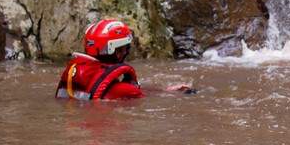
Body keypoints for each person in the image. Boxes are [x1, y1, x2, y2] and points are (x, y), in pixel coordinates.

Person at [55, 19, 192, 100]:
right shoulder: (123, 90)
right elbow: (133, 93)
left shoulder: (74, 78)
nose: (126, 52)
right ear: (118, 51)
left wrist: (166, 90)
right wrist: (178, 95)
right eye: (126, 48)